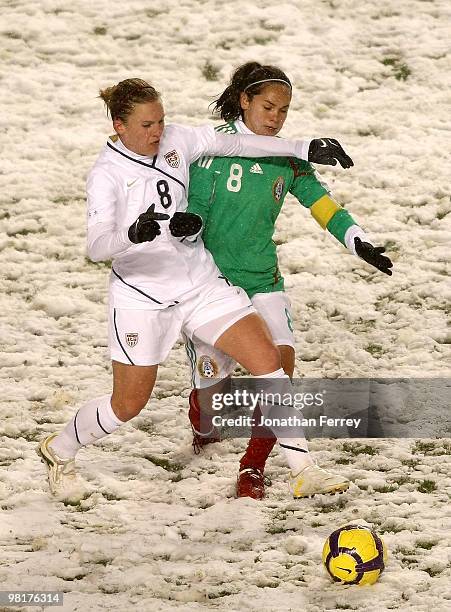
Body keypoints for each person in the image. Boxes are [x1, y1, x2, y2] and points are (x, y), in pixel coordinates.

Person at [37, 77, 355, 500]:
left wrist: (301, 147)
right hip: (143, 297)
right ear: (120, 126)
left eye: (161, 121)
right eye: (147, 125)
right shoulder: (106, 175)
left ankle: (303, 468)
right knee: (127, 405)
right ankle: (59, 450)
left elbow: (240, 144)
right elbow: (97, 246)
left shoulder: (176, 140)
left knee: (268, 361)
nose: (157, 132)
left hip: (199, 282)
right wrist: (133, 235)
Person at [185, 62, 393, 499]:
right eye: (268, 107)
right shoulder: (210, 148)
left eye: (284, 110)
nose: (276, 118)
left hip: (263, 278)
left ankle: (253, 466)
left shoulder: (287, 157)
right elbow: (196, 212)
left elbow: (319, 201)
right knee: (211, 396)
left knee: (279, 367)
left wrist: (358, 240)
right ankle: (202, 419)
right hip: (211, 285)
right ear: (244, 101)